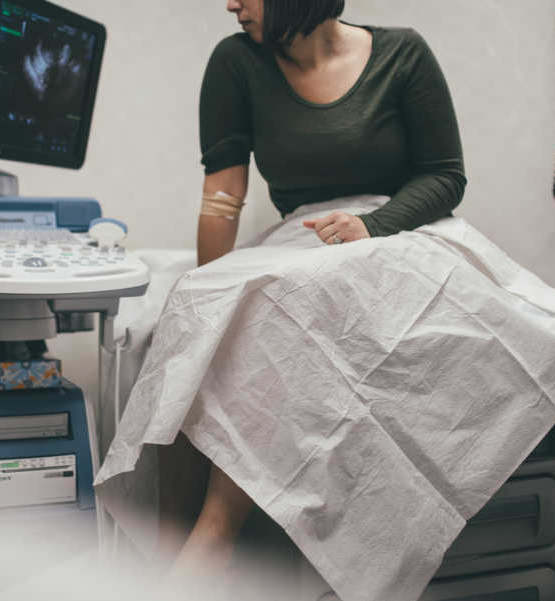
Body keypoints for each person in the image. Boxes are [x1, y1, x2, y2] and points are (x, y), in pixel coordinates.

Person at [159, 0, 467, 582]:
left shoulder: (403, 53)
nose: (230, 4)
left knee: (281, 310)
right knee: (186, 322)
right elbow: (222, 198)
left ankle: (215, 533)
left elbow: (445, 175)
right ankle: (159, 554)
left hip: (395, 235)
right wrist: (205, 304)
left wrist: (371, 226)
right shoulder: (235, 61)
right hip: (306, 237)